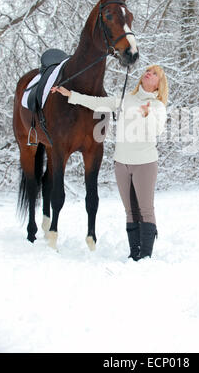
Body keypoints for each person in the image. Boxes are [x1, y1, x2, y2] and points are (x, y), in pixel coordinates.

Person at [51, 65, 168, 260]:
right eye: (148, 70)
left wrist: (146, 115)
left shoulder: (157, 106)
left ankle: (146, 256)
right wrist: (70, 94)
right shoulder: (126, 99)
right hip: (121, 163)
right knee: (130, 210)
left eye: (155, 73)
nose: (149, 73)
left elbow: (156, 131)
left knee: (145, 209)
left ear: (158, 84)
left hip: (145, 163)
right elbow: (98, 103)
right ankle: (134, 253)